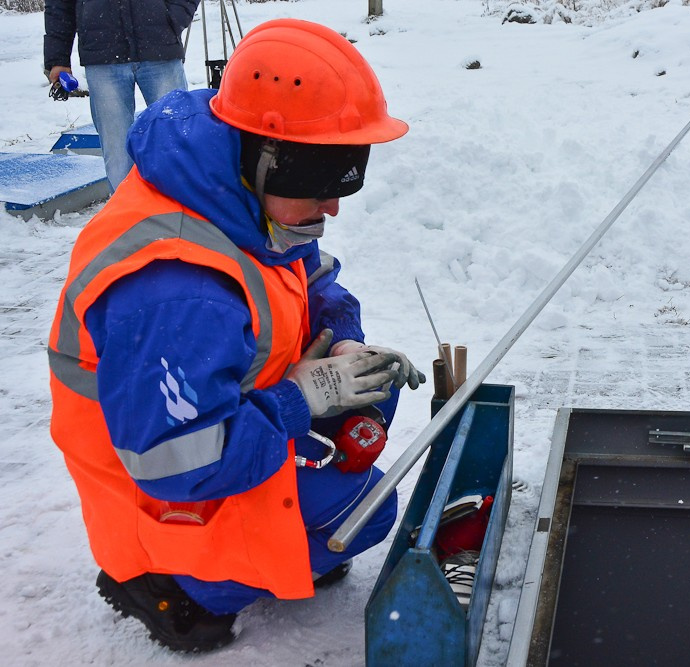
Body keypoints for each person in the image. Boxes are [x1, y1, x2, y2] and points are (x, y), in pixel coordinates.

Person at [47, 18, 423, 652]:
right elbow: (179, 466)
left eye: (350, 171)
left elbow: (313, 279)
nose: (335, 203)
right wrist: (299, 401)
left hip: (220, 416)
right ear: (265, 156)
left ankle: (294, 529)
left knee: (371, 394)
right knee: (368, 509)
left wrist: (341, 342)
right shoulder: (173, 291)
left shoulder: (237, 195)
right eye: (325, 175)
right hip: (164, 492)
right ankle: (174, 585)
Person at [43, 0, 197, 191]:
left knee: (176, 139)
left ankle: (181, 210)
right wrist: (58, 57)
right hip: (102, 54)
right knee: (117, 150)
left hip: (159, 47)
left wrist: (174, 17)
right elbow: (59, 6)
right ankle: (127, 216)